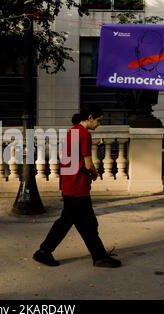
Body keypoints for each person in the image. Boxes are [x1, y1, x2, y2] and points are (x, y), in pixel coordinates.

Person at [33, 105, 121, 268]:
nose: (99, 124)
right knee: (70, 222)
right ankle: (44, 252)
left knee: (87, 223)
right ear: (90, 118)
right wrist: (95, 174)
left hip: (69, 183)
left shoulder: (72, 132)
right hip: (77, 185)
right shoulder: (84, 135)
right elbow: (88, 164)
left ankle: (99, 256)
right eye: (98, 121)